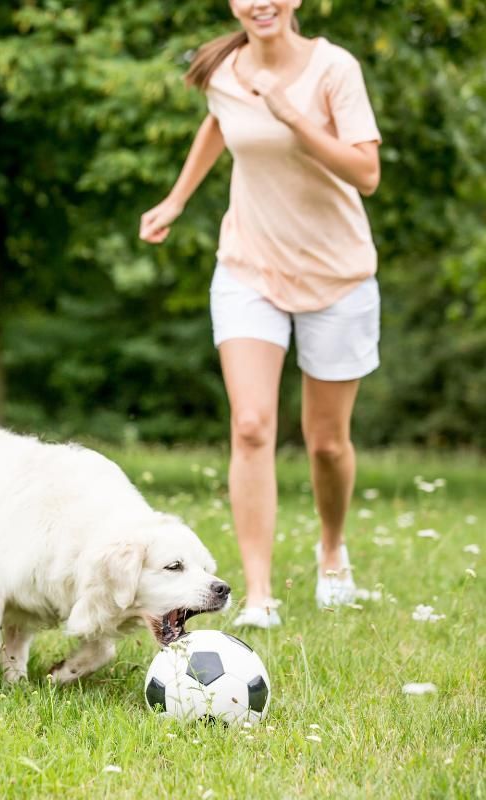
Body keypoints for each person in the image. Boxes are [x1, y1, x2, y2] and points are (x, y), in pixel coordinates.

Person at [139, 0, 381, 627]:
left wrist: (293, 115)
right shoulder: (224, 69)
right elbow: (218, 124)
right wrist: (175, 200)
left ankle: (332, 553)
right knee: (250, 425)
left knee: (326, 443)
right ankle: (259, 596)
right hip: (249, 266)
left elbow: (368, 171)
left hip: (338, 274)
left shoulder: (334, 69)